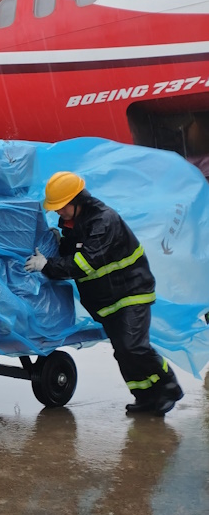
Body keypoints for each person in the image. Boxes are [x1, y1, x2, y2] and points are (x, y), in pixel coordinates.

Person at [24, 171, 183, 416]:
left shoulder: (103, 221)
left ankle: (167, 385)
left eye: (61, 206)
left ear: (77, 201)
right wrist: (58, 245)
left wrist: (47, 265)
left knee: (134, 348)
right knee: (123, 353)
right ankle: (146, 397)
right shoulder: (73, 224)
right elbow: (71, 253)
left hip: (130, 292)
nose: (58, 212)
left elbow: (85, 263)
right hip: (107, 301)